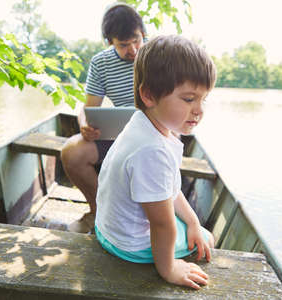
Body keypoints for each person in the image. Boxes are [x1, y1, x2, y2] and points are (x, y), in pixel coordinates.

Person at [94, 35, 217, 289]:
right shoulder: (151, 151)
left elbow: (168, 189)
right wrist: (169, 268)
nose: (199, 110)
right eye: (188, 99)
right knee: (207, 239)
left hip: (107, 229)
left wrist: (192, 221)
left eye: (203, 99)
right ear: (149, 95)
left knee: (195, 227)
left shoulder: (143, 123)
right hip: (128, 244)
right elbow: (162, 223)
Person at [61, 3, 146, 233]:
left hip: (155, 136)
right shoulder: (101, 63)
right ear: (109, 42)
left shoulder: (157, 55)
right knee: (72, 151)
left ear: (143, 34)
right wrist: (84, 124)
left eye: (137, 40)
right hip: (118, 138)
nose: (134, 50)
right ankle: (99, 211)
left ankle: (142, 222)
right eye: (124, 45)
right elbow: (87, 108)